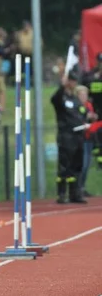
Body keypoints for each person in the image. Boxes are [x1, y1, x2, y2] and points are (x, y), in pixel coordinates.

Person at [51, 69, 89, 204]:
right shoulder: (61, 98)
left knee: (77, 166)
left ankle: (75, 193)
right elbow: (54, 99)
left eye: (74, 81)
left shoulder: (75, 99)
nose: (73, 83)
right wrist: (61, 86)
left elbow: (81, 113)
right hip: (66, 136)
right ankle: (61, 194)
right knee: (64, 166)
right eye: (71, 80)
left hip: (78, 136)